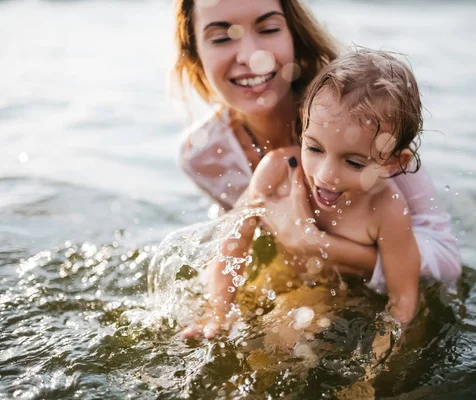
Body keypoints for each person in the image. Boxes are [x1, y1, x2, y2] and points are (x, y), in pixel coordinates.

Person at [174, 0, 460, 299]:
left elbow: (447, 260)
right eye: (221, 38)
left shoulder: (361, 115)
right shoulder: (202, 158)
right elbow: (241, 241)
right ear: (194, 55)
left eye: (269, 29)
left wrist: (317, 246)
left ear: (294, 36)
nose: (251, 56)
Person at [183, 48, 426, 339]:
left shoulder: (387, 210)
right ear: (303, 122)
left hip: (343, 298)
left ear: (392, 163)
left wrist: (374, 372)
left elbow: (403, 301)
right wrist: (218, 313)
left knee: (283, 338)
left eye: (354, 162)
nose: (325, 175)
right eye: (314, 148)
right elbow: (233, 241)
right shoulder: (277, 171)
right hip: (278, 275)